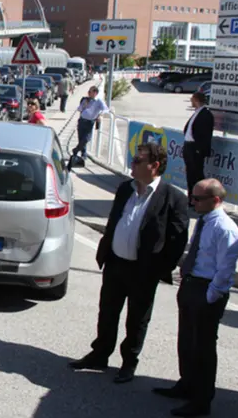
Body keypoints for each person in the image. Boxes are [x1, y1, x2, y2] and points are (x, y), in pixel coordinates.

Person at [70, 143, 189, 384]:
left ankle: (128, 362)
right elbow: (115, 222)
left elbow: (177, 240)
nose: (132, 164)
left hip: (143, 271)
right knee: (107, 312)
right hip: (115, 263)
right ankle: (100, 353)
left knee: (137, 319)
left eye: (137, 160)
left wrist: (159, 269)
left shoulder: (173, 198)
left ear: (154, 166)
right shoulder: (125, 188)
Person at [153, 179, 238, 417]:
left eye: (198, 198)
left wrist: (211, 295)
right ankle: (187, 384)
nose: (192, 202)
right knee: (186, 339)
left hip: (207, 289)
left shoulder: (226, 229)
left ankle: (201, 400)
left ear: (215, 200)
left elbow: (225, 268)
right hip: (192, 284)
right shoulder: (204, 221)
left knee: (202, 347)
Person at [182, 92, 214, 201]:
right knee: (190, 175)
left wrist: (198, 150)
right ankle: (191, 198)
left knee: (197, 175)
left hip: (196, 150)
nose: (191, 101)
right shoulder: (196, 113)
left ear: (196, 99)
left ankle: (200, 198)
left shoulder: (206, 114)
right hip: (189, 147)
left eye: (192, 99)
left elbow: (204, 135)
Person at [68, 86, 108, 167]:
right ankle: (83, 154)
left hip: (90, 122)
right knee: (81, 138)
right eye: (88, 92)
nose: (88, 93)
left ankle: (76, 150)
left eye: (90, 92)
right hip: (82, 120)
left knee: (87, 138)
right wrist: (84, 104)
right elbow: (79, 109)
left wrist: (100, 115)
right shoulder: (85, 99)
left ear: (95, 93)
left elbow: (106, 109)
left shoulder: (99, 101)